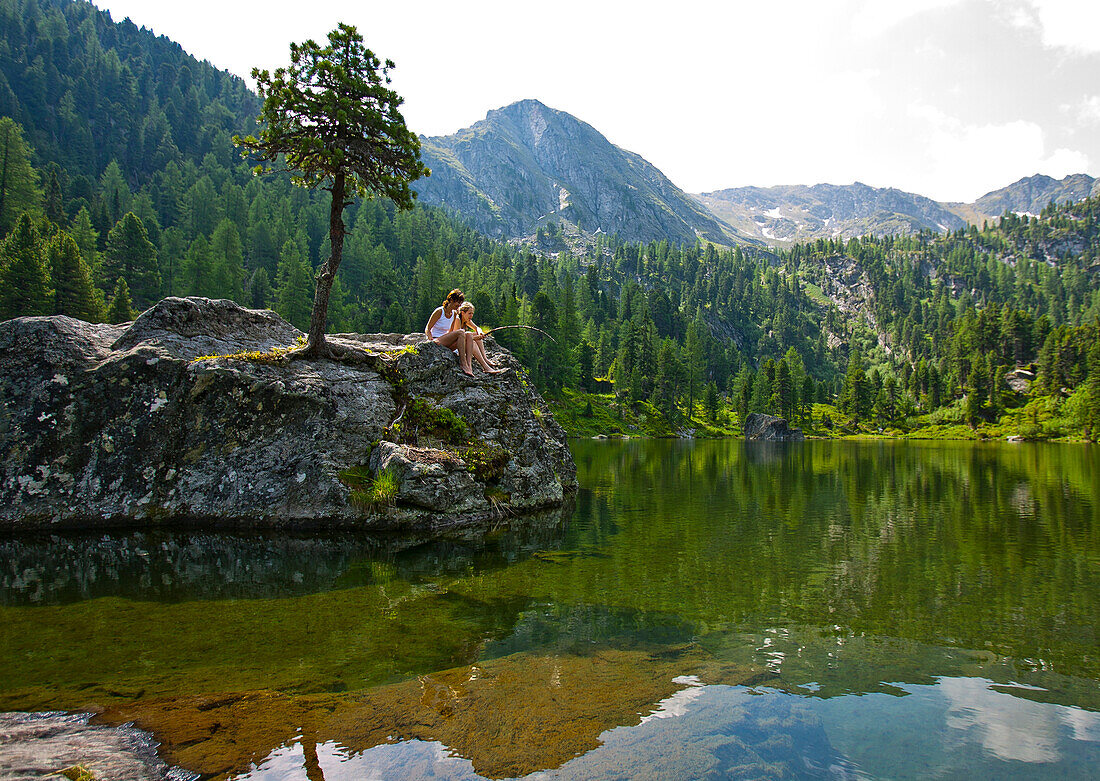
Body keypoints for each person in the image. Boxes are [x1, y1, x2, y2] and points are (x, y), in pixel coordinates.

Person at [424, 289, 473, 376]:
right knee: (461, 332)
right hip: (436, 340)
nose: (459, 305)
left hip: (445, 341)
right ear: (451, 300)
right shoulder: (440, 311)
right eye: (457, 302)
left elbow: (451, 332)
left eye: (460, 303)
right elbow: (428, 328)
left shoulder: (454, 314)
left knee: (468, 335)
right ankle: (463, 364)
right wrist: (430, 340)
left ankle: (469, 365)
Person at [454, 301, 505, 375]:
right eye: (469, 313)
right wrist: (476, 337)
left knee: (475, 335)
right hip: (457, 346)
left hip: (462, 342)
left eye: (472, 313)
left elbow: (476, 328)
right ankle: (485, 367)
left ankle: (485, 358)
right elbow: (458, 339)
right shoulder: (457, 320)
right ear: (463, 313)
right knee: (473, 342)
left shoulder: (466, 320)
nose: (471, 315)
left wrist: (480, 332)